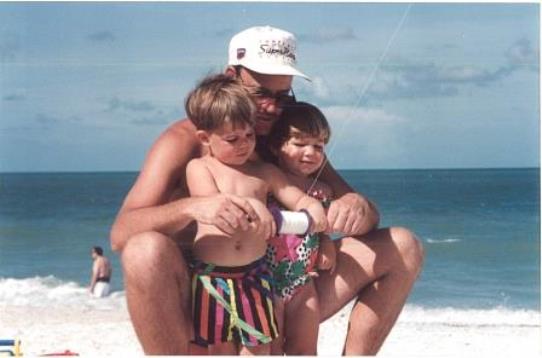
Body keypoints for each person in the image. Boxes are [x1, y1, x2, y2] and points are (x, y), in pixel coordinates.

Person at [110, 25, 424, 355]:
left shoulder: (288, 138)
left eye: (282, 97)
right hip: (208, 299)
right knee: (144, 250)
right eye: (260, 94)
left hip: (282, 288)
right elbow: (121, 234)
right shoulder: (184, 141)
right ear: (231, 75)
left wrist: (356, 205)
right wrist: (193, 207)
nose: (272, 108)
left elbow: (360, 212)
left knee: (404, 246)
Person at [184, 74, 327, 354]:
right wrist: (254, 207)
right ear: (205, 138)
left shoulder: (265, 174)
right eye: (232, 138)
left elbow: (297, 198)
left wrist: (313, 211)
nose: (243, 144)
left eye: (249, 135)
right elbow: (213, 204)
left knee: (259, 348)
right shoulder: (201, 168)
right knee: (218, 348)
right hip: (212, 278)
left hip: (255, 276)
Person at [265, 101, 336, 355]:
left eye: (318, 146)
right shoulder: (269, 183)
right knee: (270, 348)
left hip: (302, 283)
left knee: (305, 349)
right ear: (275, 146)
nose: (311, 152)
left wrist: (327, 244)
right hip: (266, 282)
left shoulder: (322, 191)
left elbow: (322, 227)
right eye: (300, 144)